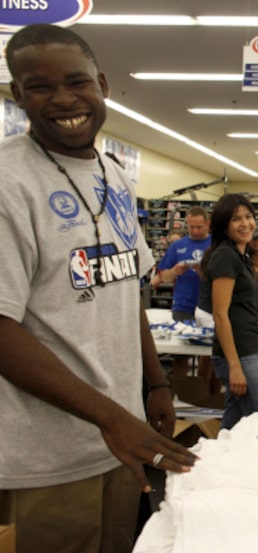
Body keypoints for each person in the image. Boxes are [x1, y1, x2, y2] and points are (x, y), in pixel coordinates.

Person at [0, 23, 196, 552]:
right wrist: (114, 417)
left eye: (75, 81)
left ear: (102, 84)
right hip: (45, 461)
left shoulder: (115, 176)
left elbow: (126, 286)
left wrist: (155, 384)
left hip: (119, 444)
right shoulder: (8, 182)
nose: (63, 99)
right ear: (18, 95)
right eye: (38, 86)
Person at [200, 194, 258, 430]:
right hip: (238, 356)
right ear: (224, 225)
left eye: (249, 217)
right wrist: (234, 366)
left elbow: (245, 310)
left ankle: (216, 462)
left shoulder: (239, 255)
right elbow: (221, 315)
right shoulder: (225, 256)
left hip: (247, 350)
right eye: (236, 219)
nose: (245, 224)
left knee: (233, 422)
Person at [156, 205, 212, 379]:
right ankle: (179, 394)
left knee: (209, 356)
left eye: (199, 227)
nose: (195, 231)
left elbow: (222, 277)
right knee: (180, 355)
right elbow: (162, 277)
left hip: (209, 307)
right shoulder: (177, 246)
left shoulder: (215, 244)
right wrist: (174, 272)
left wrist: (202, 271)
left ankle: (206, 396)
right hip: (183, 306)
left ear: (207, 224)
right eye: (191, 227)